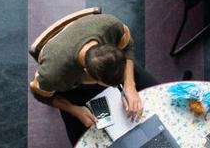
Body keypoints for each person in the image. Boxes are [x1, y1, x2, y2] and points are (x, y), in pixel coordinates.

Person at [29, 11, 158, 143]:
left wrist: (129, 84)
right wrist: (74, 110)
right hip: (73, 89)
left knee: (156, 95)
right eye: (111, 86)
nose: (117, 88)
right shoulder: (54, 74)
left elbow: (128, 44)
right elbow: (40, 94)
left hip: (111, 69)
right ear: (88, 75)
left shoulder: (112, 26)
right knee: (82, 137)